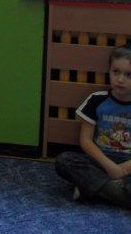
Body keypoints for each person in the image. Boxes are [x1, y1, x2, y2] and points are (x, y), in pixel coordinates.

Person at [55, 44, 131, 208]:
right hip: (100, 161)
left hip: (128, 165)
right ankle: (115, 192)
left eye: (128, 75)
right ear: (109, 71)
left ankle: (93, 188)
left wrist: (124, 169)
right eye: (115, 72)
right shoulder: (97, 100)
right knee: (65, 160)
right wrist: (110, 167)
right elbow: (86, 141)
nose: (120, 79)